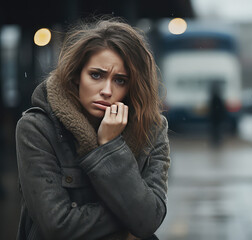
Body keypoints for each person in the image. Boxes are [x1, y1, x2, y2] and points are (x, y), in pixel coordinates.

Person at [15, 18, 170, 240]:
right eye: (96, 75)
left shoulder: (151, 129)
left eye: (120, 80)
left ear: (132, 86)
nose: (107, 90)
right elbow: (57, 226)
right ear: (77, 75)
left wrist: (110, 146)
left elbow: (148, 221)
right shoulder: (37, 129)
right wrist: (131, 218)